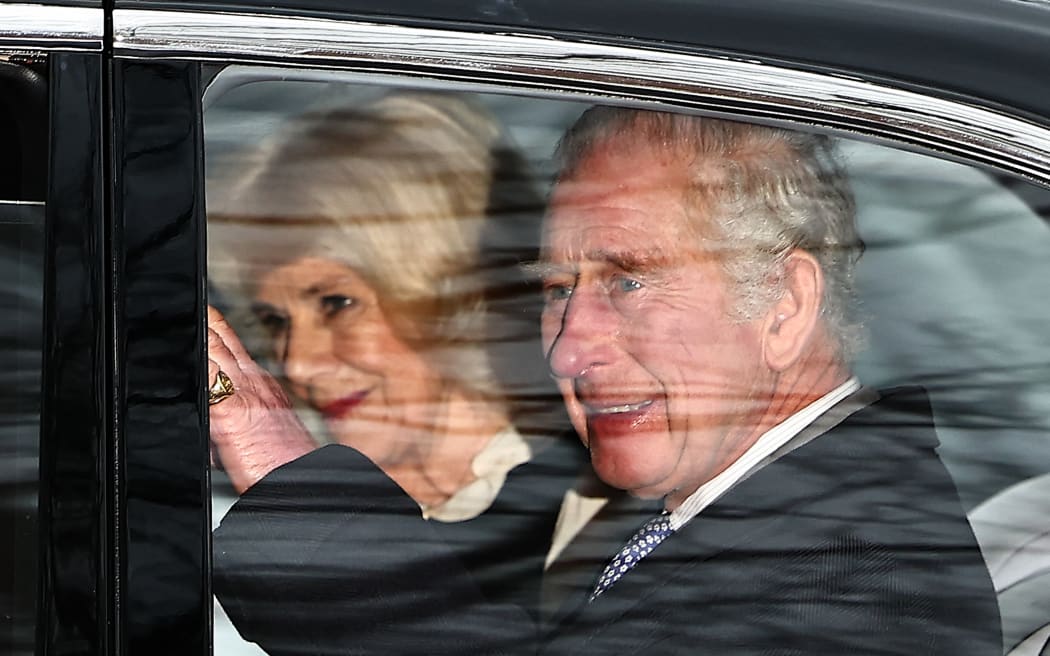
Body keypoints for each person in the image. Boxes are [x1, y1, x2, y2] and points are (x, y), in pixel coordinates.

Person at [211, 105, 1002, 656]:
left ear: (785, 305)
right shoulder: (754, 525)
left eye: (629, 281)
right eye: (559, 289)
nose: (565, 350)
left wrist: (287, 477)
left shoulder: (841, 592)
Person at [206, 91, 585, 652]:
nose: (298, 362)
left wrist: (286, 480)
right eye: (275, 320)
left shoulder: (592, 526)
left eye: (337, 303)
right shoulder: (219, 522)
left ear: (449, 291)